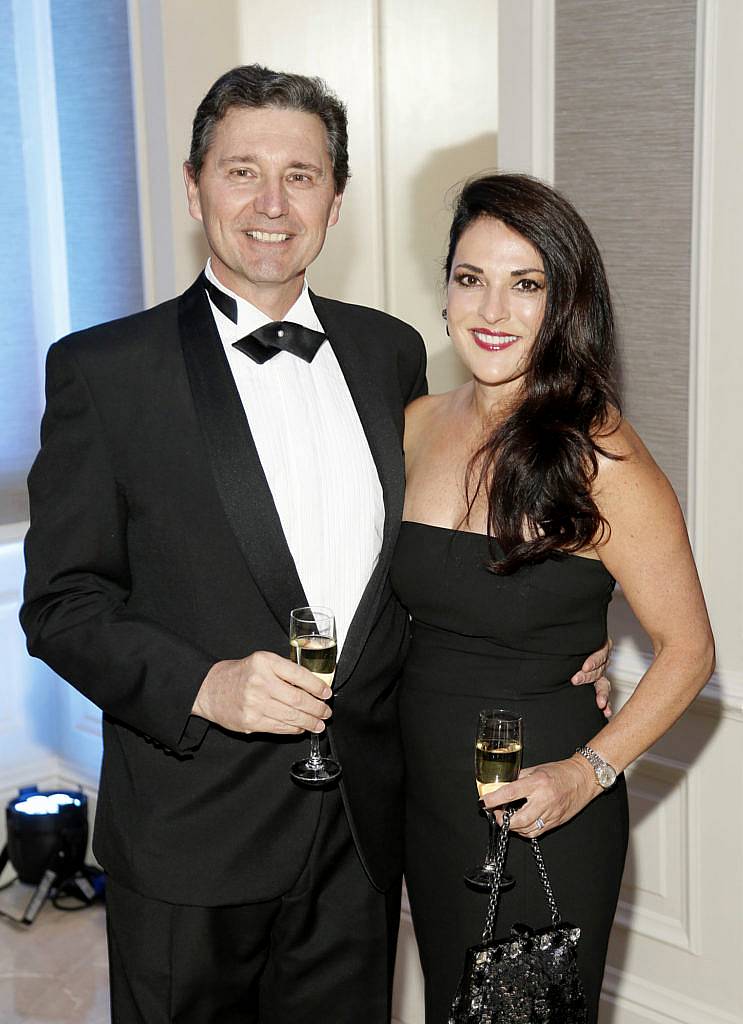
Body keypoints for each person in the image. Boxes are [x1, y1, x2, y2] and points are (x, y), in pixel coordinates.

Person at [20, 67, 611, 1022]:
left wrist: (550, 647)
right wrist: (203, 684)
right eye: (240, 170)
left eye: (300, 175)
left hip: (362, 832)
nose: (269, 203)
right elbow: (60, 604)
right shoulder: (104, 371)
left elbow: (436, 559)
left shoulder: (390, 354)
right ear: (193, 184)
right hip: (191, 833)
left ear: (336, 200)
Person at [392, 173, 715, 1023]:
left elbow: (688, 649)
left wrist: (588, 770)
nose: (492, 308)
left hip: (541, 801)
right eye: (471, 278)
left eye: (525, 283)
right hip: (423, 794)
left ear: (563, 302)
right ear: (446, 291)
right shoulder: (416, 424)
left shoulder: (599, 455)